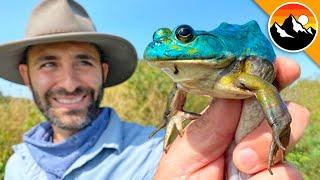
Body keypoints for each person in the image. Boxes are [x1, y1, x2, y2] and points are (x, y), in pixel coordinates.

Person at [3, 0, 309, 179]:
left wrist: (233, 161)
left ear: (103, 70)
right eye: (47, 64)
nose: (68, 83)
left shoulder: (154, 155)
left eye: (83, 61)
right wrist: (174, 112)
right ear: (25, 75)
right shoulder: (16, 165)